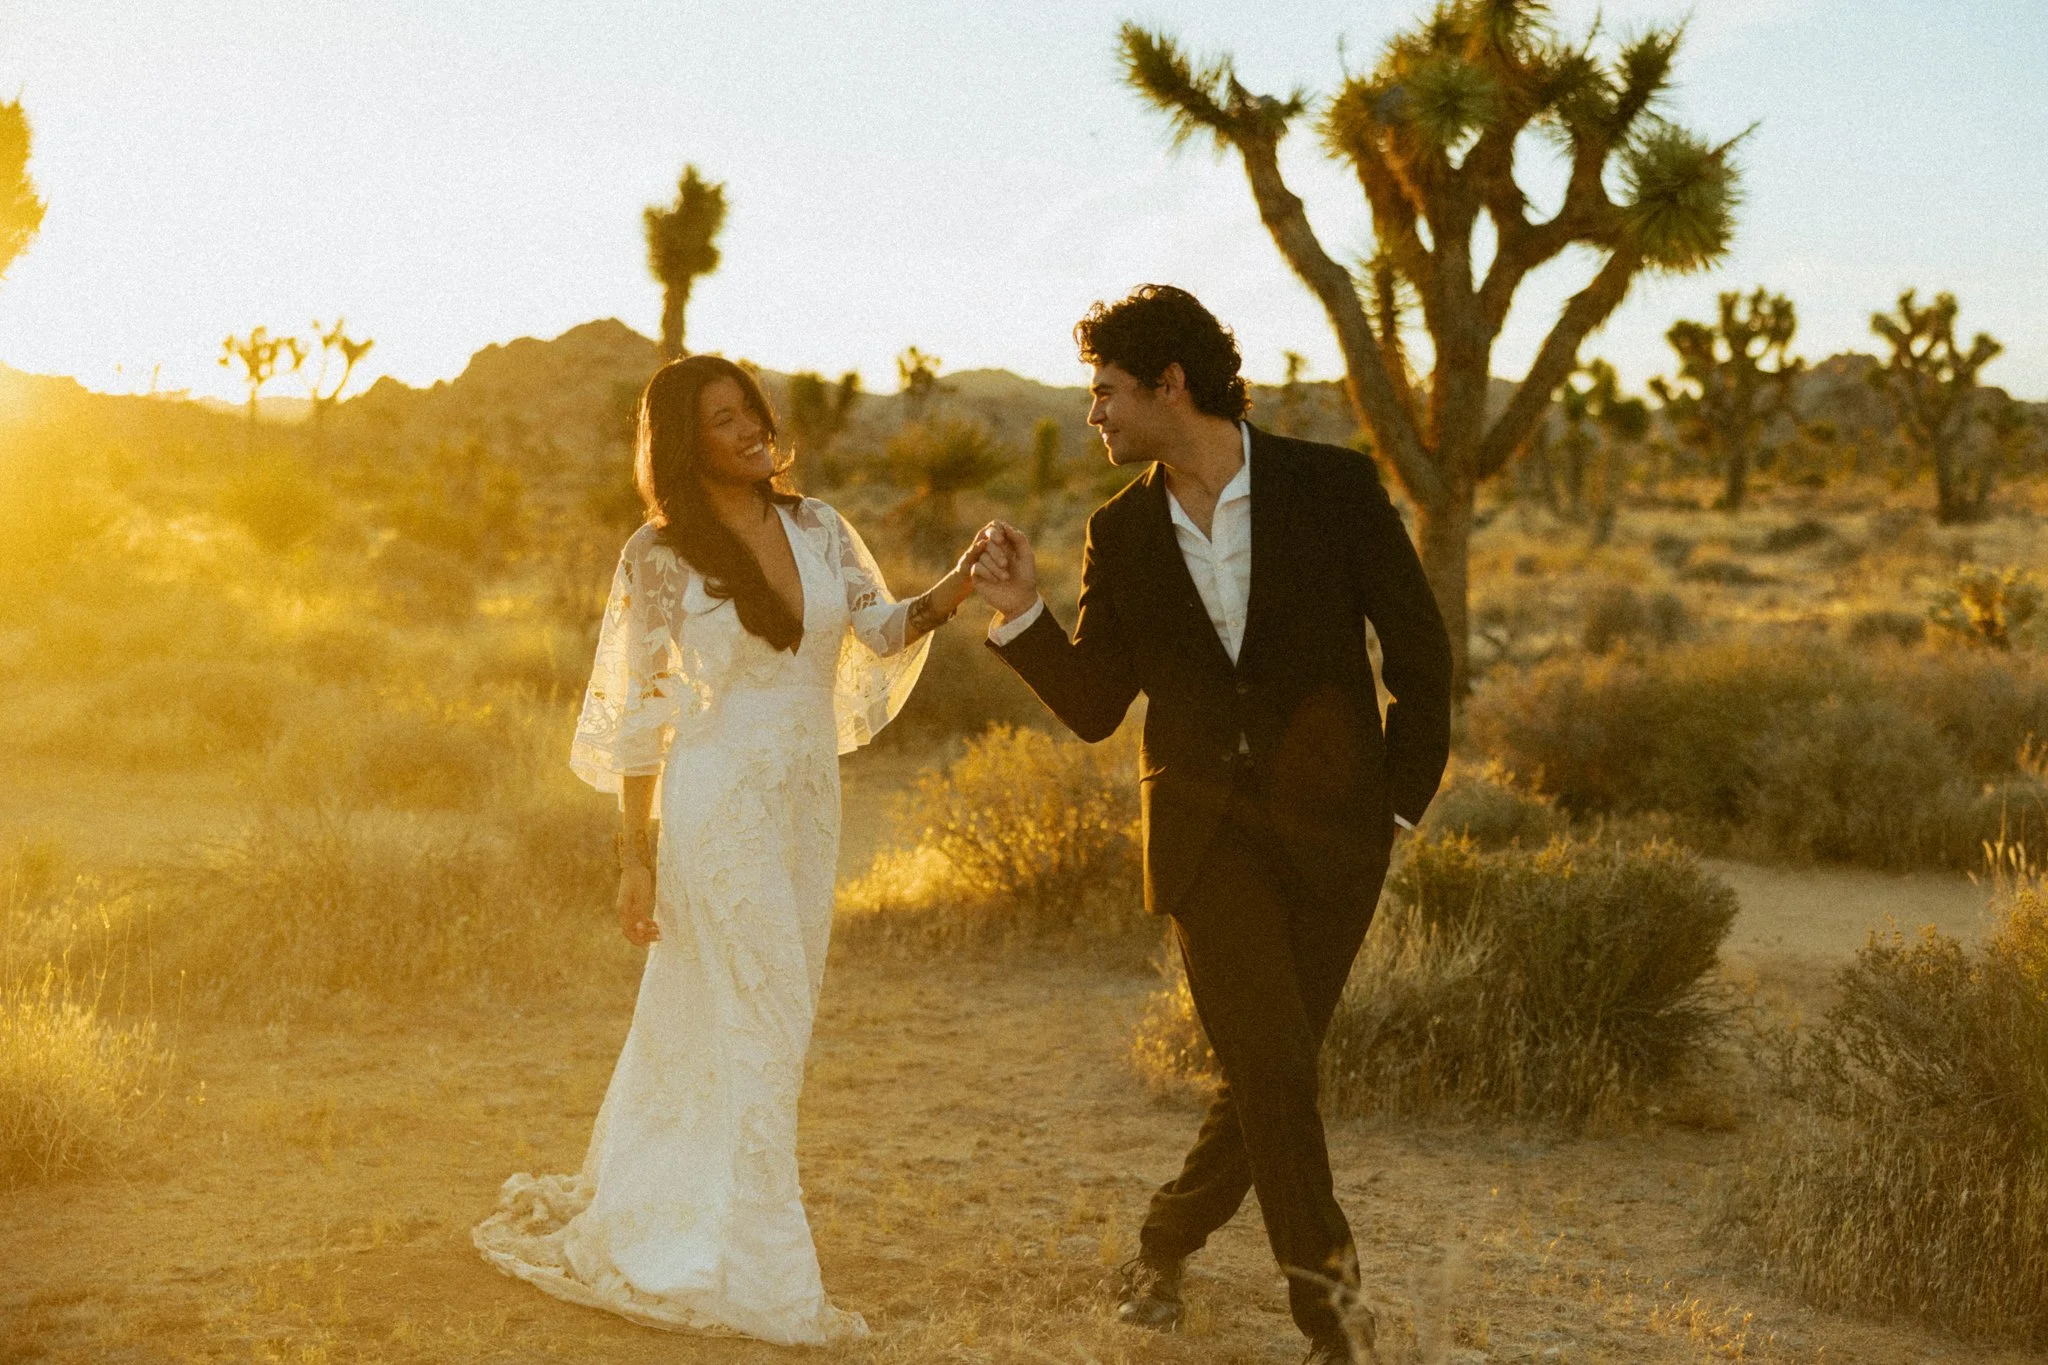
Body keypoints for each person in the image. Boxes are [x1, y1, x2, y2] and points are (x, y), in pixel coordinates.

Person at [970, 285, 1453, 1365]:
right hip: (1204, 839)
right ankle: (1333, 1327)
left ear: (1168, 384)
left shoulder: (1331, 487)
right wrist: (1021, 614)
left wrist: (1395, 803)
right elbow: (1097, 705)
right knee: (1276, 1067)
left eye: (1104, 392)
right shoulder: (1121, 530)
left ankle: (1166, 1234)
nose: (1091, 413)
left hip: (1337, 834)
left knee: (1266, 1072)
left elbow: (1418, 653)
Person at [473, 354, 986, 1344]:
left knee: (748, 1018)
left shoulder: (819, 526)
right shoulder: (658, 558)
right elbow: (638, 720)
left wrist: (957, 586)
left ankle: (677, 1214)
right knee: (762, 1019)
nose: (749, 426)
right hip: (717, 807)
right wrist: (634, 854)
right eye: (721, 418)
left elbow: (878, 631)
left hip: (804, 807)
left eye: (749, 408)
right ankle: (765, 1279)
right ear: (683, 442)